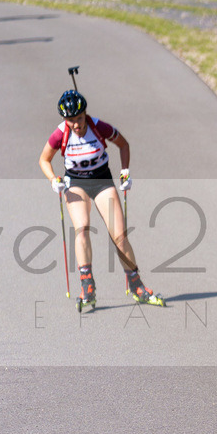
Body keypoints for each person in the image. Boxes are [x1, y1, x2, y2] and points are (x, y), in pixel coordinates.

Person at [38, 90, 164, 309]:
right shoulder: (60, 134)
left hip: (102, 180)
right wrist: (52, 180)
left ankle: (137, 285)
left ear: (85, 113)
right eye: (70, 120)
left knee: (119, 236)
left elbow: (123, 144)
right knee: (82, 228)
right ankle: (87, 285)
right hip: (75, 183)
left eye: (79, 118)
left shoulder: (98, 127)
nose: (76, 125)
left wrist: (125, 171)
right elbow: (44, 160)